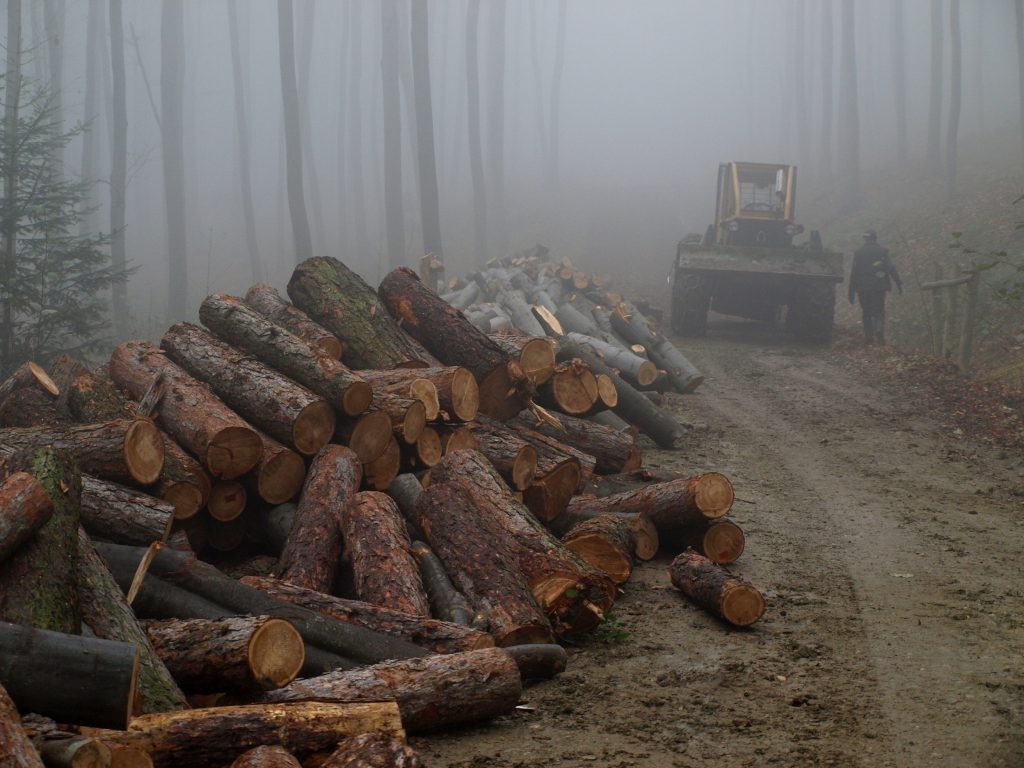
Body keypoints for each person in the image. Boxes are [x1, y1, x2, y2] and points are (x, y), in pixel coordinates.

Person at [848, 229, 902, 345]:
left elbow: (854, 273)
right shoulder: (882, 251)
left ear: (865, 239)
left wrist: (851, 291)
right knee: (879, 311)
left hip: (862, 288)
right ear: (875, 238)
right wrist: (899, 283)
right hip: (878, 287)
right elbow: (891, 267)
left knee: (866, 312)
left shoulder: (858, 252)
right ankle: (879, 331)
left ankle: (869, 338)